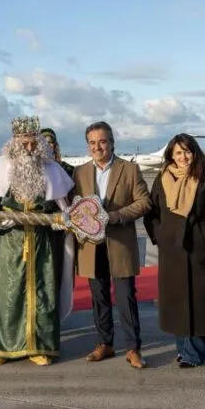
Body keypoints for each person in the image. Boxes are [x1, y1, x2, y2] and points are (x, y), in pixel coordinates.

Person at [0, 115, 75, 366]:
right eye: (24, 144)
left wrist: (60, 220)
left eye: (33, 144)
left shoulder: (51, 170)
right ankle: (1, 347)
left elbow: (64, 208)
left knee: (43, 295)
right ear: (14, 143)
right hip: (7, 246)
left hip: (42, 245)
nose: (29, 149)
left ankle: (40, 347)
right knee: (6, 295)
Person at [143, 134, 205, 368]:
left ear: (195, 152)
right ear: (171, 154)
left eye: (187, 152)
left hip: (199, 247)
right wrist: (159, 235)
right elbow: (152, 212)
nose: (183, 157)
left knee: (199, 303)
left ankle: (193, 353)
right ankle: (182, 349)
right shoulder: (162, 178)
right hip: (171, 250)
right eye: (178, 152)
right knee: (176, 302)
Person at [73, 121, 150, 369]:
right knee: (99, 298)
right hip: (91, 247)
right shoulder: (80, 172)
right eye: (93, 143)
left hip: (120, 243)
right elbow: (74, 205)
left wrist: (116, 216)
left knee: (126, 297)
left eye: (102, 141)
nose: (98, 147)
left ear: (112, 142)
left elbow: (144, 202)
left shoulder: (129, 169)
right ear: (88, 146)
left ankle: (132, 348)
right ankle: (104, 343)